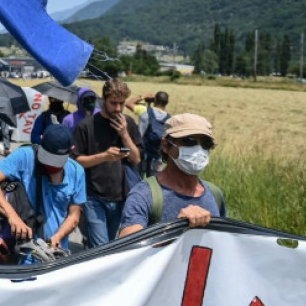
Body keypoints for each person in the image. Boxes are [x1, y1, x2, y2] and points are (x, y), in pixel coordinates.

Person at [0, 124, 86, 263]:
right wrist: (12, 216)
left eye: (55, 162)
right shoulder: (25, 156)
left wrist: (58, 237)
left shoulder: (77, 172)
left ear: (71, 151)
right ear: (40, 141)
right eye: (46, 159)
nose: (50, 166)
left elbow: (74, 215)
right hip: (21, 254)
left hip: (53, 257)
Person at [119, 114, 225, 237]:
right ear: (165, 145)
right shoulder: (144, 195)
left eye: (205, 144)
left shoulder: (215, 194)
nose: (198, 150)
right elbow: (127, 243)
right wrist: (175, 228)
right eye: (189, 141)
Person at [72, 79, 143, 248]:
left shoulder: (128, 124)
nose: (118, 109)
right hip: (93, 197)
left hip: (121, 197)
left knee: (110, 247)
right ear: (102, 100)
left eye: (121, 104)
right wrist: (103, 156)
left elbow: (136, 159)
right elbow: (75, 161)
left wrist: (124, 134)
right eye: (113, 103)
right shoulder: (86, 126)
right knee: (102, 248)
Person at [128, 92, 171, 177]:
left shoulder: (144, 110)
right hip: (157, 155)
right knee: (154, 182)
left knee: (136, 178)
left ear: (155, 100)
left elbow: (129, 104)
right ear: (166, 103)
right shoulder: (169, 119)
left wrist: (143, 96)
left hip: (140, 152)